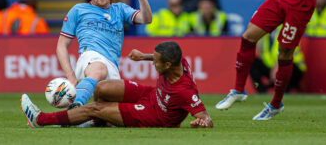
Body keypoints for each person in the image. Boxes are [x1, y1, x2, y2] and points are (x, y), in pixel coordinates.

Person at [21, 41, 213, 128]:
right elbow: (161, 58)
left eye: (156, 61)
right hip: (151, 95)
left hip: (153, 116)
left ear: (168, 65)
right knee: (101, 87)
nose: (153, 63)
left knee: (96, 107)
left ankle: (41, 120)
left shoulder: (185, 91)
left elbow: (206, 117)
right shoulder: (181, 62)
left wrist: (202, 123)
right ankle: (98, 123)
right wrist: (143, 57)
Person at [57, 0, 152, 109]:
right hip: (90, 59)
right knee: (99, 69)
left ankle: (74, 120)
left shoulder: (120, 9)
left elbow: (146, 19)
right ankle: (76, 105)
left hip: (112, 67)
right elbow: (61, 45)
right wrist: (71, 76)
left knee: (111, 116)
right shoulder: (79, 10)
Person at [250, 25, 306, 93]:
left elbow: (289, 52)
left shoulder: (287, 31)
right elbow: (258, 50)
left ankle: (285, 92)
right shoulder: (265, 34)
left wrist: (277, 66)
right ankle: (262, 92)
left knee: (284, 66)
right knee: (252, 63)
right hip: (272, 68)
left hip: (294, 68)